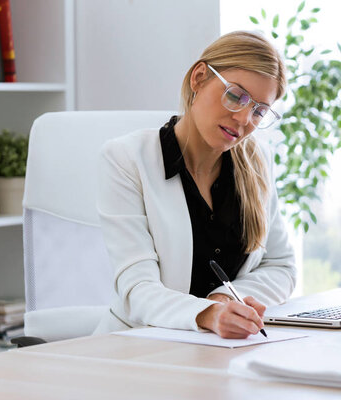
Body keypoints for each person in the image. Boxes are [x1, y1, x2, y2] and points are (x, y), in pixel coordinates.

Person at [92, 31, 296, 339]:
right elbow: (136, 290)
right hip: (140, 349)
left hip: (221, 353)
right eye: (235, 95)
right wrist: (207, 314)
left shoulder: (257, 162)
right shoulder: (126, 160)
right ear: (199, 78)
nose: (243, 118)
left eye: (259, 110)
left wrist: (225, 298)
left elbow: (281, 267)